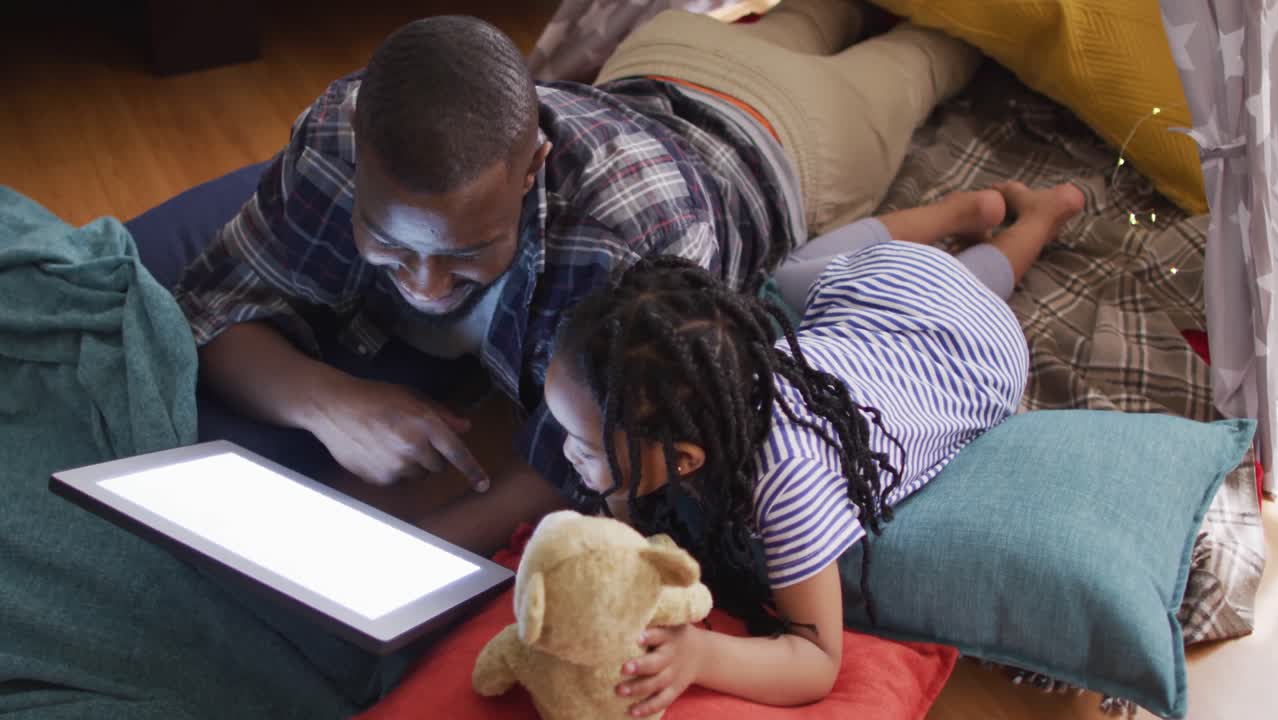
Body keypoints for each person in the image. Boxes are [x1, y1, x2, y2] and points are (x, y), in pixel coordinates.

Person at [173, 4, 980, 554]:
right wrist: (327, 402)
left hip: (791, 137)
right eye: (386, 242)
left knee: (935, 46)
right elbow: (212, 305)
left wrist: (403, 558)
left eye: (465, 253)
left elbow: (605, 464)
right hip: (669, 55)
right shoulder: (334, 135)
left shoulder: (637, 252)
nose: (423, 284)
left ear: (533, 168)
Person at [544, 181, 1086, 715]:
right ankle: (967, 210)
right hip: (891, 293)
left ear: (685, 459)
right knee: (792, 274)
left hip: (981, 347)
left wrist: (701, 654)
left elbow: (815, 661)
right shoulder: (715, 388)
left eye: (586, 448)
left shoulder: (788, 477)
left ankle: (1036, 218)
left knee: (929, 291)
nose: (567, 454)